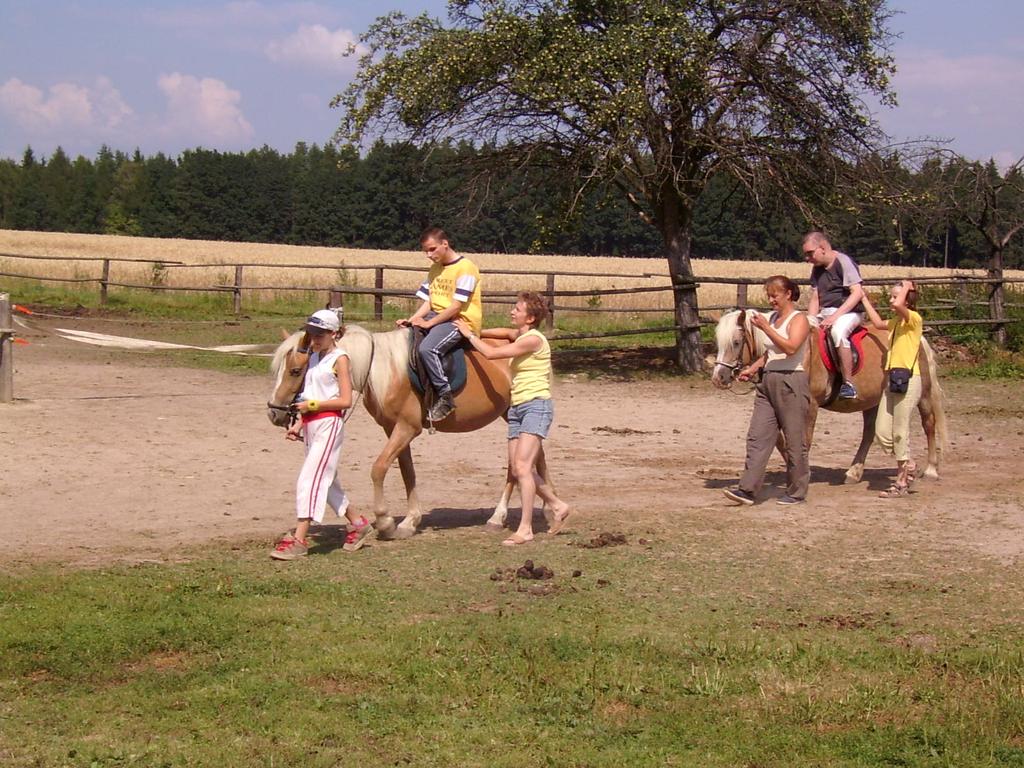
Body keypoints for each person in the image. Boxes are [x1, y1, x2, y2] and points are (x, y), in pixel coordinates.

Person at [454, 291, 571, 546]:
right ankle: (557, 504)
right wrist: (476, 328)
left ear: (529, 318)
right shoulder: (520, 334)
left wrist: (469, 334)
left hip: (535, 407)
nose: (512, 312)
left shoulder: (533, 340)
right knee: (518, 468)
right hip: (517, 407)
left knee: (522, 468)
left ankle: (526, 528)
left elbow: (491, 353)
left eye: (517, 309)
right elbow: (503, 333)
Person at [271, 309, 372, 560]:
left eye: (320, 334)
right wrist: (299, 423)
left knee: (309, 480)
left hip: (328, 425)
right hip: (311, 425)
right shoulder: (315, 357)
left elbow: (345, 400)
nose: (315, 339)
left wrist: (312, 407)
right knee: (326, 482)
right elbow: (311, 393)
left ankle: (299, 539)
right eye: (312, 333)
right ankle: (358, 523)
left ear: (334, 334)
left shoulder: (340, 359)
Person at [724, 276, 812, 506]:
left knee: (794, 440)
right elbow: (770, 353)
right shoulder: (773, 318)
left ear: (788, 295)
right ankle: (747, 489)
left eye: (775, 295)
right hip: (768, 380)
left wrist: (765, 328)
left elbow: (791, 348)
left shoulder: (799, 319)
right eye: (769, 295)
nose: (771, 300)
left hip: (791, 381)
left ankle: (797, 492)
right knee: (758, 436)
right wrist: (752, 369)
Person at [397, 227, 483, 422]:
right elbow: (429, 302)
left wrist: (429, 324)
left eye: (432, 249)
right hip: (437, 316)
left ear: (445, 244)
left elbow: (456, 306)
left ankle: (445, 396)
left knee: (428, 349)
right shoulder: (435, 268)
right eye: (426, 251)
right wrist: (411, 321)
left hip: (459, 320)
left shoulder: (466, 268)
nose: (429, 255)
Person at [861, 280, 924, 498]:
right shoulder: (896, 322)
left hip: (909, 379)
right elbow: (877, 323)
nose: (891, 300)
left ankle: (901, 481)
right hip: (893, 379)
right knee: (882, 431)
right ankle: (909, 463)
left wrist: (906, 286)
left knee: (900, 430)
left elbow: (899, 306)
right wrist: (863, 298)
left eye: (894, 296)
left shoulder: (913, 319)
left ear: (906, 299)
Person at [803, 231, 865, 399]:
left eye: (810, 253)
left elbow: (857, 293)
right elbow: (815, 298)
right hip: (826, 312)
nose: (808, 258)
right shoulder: (817, 270)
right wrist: (810, 320)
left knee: (838, 333)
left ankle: (848, 383)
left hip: (850, 312)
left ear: (822, 248)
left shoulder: (843, 262)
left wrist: (835, 316)